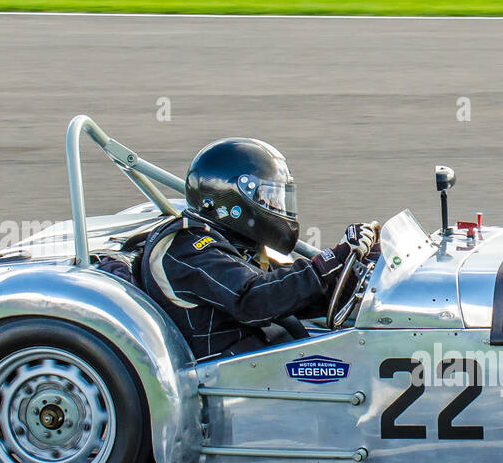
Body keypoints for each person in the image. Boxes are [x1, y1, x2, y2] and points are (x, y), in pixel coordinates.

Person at [138, 137, 378, 358]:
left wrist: (352, 273)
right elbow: (253, 299)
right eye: (268, 196)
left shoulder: (235, 243)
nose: (276, 205)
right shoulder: (188, 249)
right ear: (230, 199)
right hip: (229, 376)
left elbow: (289, 294)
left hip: (260, 359)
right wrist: (327, 262)